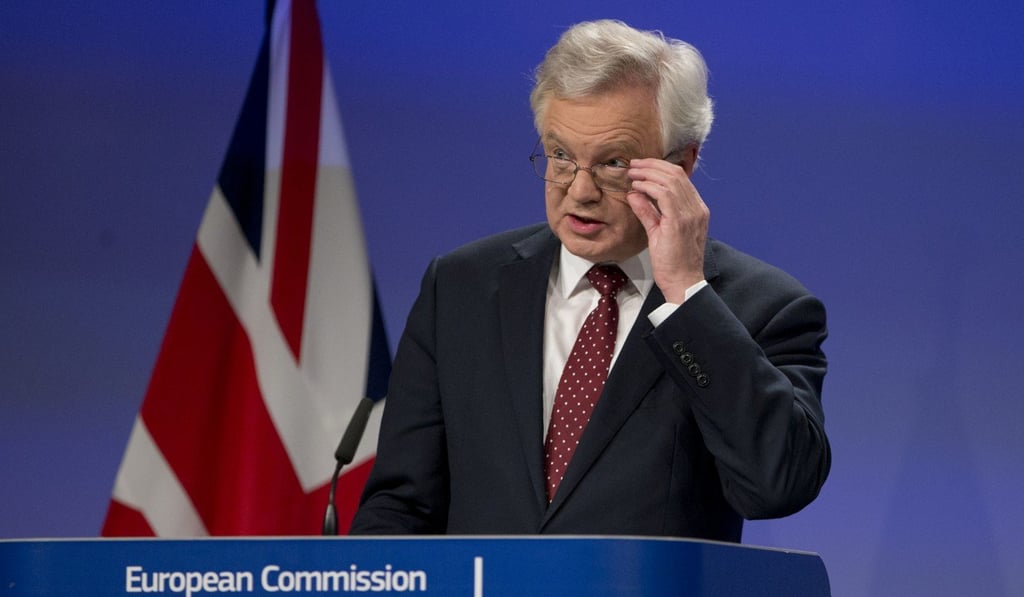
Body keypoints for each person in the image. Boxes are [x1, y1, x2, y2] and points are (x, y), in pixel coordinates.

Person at [349, 19, 829, 542]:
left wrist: (687, 295)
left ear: (682, 164)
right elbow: (400, 507)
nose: (579, 191)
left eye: (614, 163)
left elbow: (779, 485)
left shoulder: (763, 307)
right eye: (560, 156)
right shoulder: (461, 288)